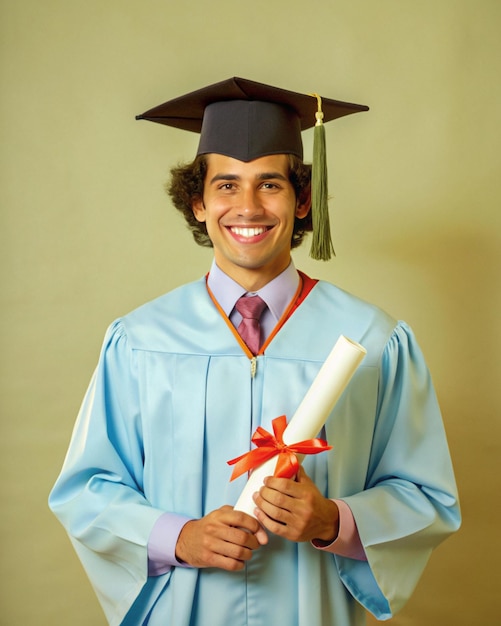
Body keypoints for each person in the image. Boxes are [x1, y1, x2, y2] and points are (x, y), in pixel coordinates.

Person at [49, 77, 460, 626]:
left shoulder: (375, 339)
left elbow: (427, 498)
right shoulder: (142, 340)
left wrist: (332, 521)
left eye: (270, 185)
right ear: (197, 202)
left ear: (303, 199)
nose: (247, 207)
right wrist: (180, 537)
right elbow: (87, 492)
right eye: (226, 186)